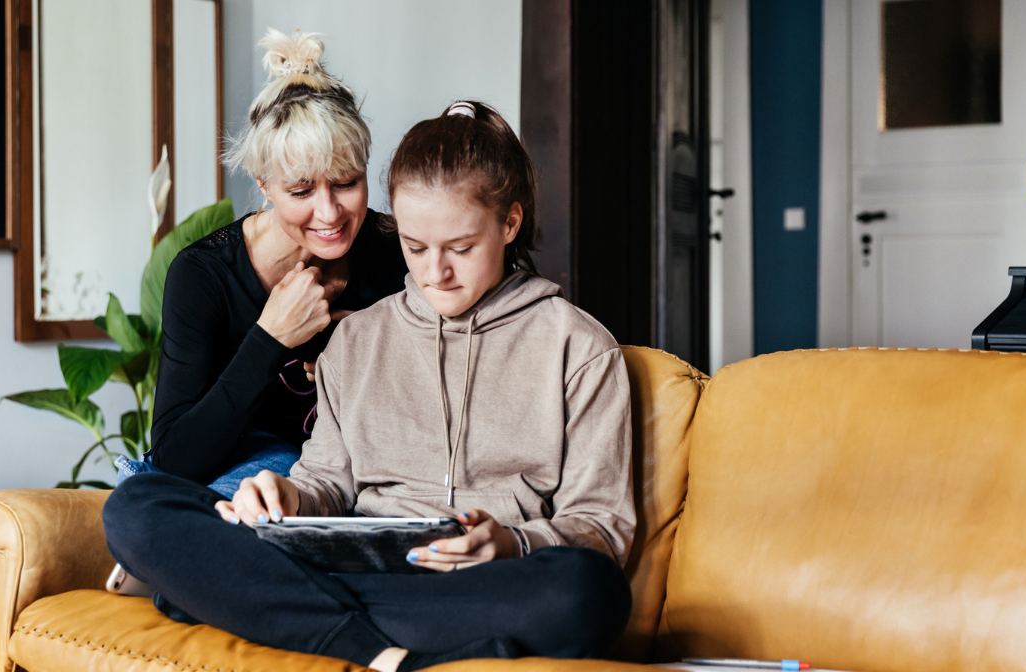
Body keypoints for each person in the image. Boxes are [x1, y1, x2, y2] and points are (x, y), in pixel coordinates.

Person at [105, 101, 635, 672]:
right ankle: (382, 655)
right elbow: (324, 485)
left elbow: (603, 528)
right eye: (414, 248)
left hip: (477, 581)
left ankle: (252, 603)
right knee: (136, 506)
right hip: (354, 563)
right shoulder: (357, 336)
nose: (435, 273)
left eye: (460, 248)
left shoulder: (577, 346)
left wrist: (510, 543)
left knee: (589, 593)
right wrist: (287, 497)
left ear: (509, 223)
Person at [134, 29, 407, 496]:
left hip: (360, 477)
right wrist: (271, 337)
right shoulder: (203, 276)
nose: (329, 213)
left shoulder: (400, 249)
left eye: (346, 183)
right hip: (243, 475)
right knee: (142, 498)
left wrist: (367, 357)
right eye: (301, 191)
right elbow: (174, 459)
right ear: (264, 185)